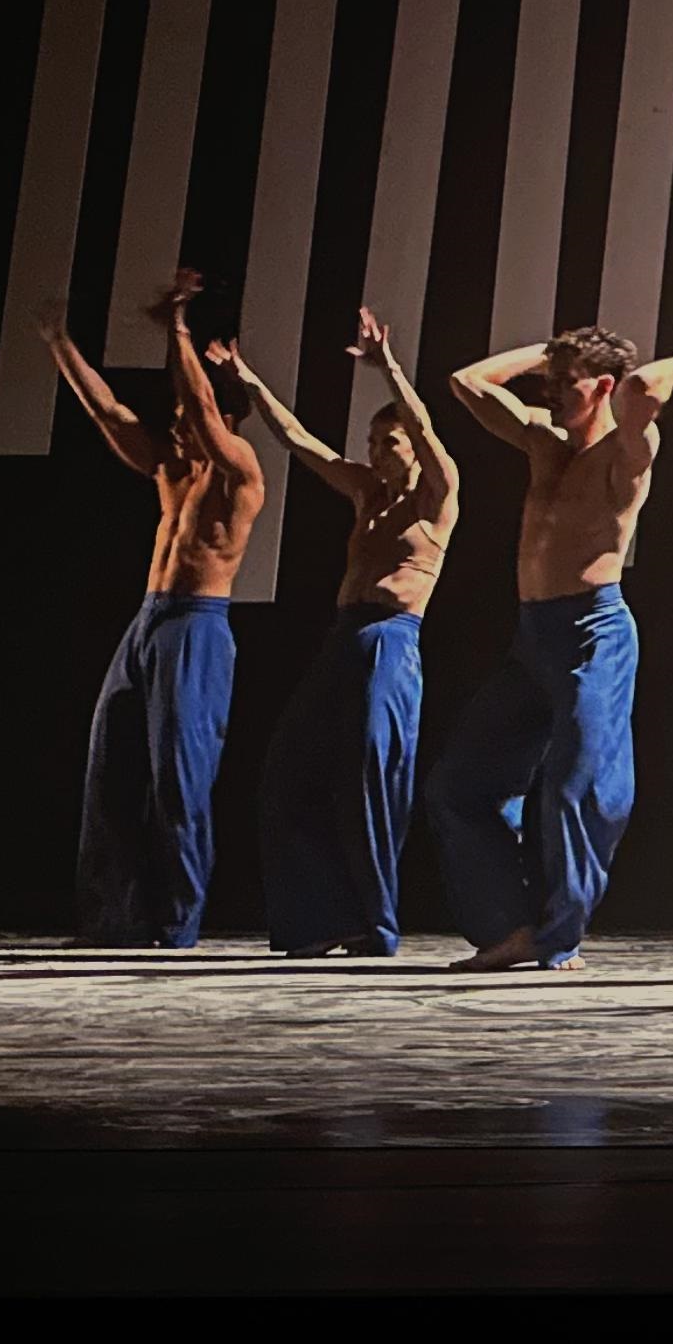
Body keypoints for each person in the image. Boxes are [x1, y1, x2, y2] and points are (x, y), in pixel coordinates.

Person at [420, 322, 673, 971]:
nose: (549, 394)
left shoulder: (629, 449)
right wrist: (549, 355)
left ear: (602, 387)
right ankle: (511, 927)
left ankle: (558, 935)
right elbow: (467, 384)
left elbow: (644, 390)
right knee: (457, 786)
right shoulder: (544, 443)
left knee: (578, 787)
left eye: (565, 384)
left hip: (591, 631)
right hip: (532, 635)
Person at [38, 267, 262, 948]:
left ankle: (176, 921)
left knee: (179, 778)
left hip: (197, 629)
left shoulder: (240, 469)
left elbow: (197, 407)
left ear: (224, 419)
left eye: (191, 414)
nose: (176, 421)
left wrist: (180, 329)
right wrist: (60, 342)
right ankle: (112, 917)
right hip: (149, 622)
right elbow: (109, 413)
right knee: (112, 765)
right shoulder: (171, 469)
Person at [229, 306, 456, 956]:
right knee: (287, 773)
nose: (376, 453)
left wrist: (388, 370)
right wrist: (252, 383)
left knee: (369, 782)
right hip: (342, 642)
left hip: (390, 643)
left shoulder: (435, 500)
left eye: (389, 443)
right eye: (372, 442)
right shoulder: (365, 493)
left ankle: (377, 926)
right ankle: (318, 920)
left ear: (411, 449)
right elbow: (300, 441)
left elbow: (430, 435)